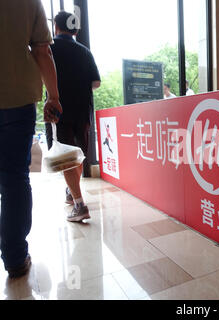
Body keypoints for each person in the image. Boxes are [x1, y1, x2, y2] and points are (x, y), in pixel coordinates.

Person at [0, 0, 62, 278]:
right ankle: (14, 257)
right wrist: (54, 96)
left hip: (18, 100)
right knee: (14, 179)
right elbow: (41, 50)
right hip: (16, 98)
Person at [45, 11, 101, 223]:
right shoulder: (85, 51)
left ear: (56, 28)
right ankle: (72, 192)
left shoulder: (49, 48)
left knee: (66, 157)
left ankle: (79, 205)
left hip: (60, 111)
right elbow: (96, 83)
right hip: (83, 111)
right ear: (76, 30)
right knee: (77, 154)